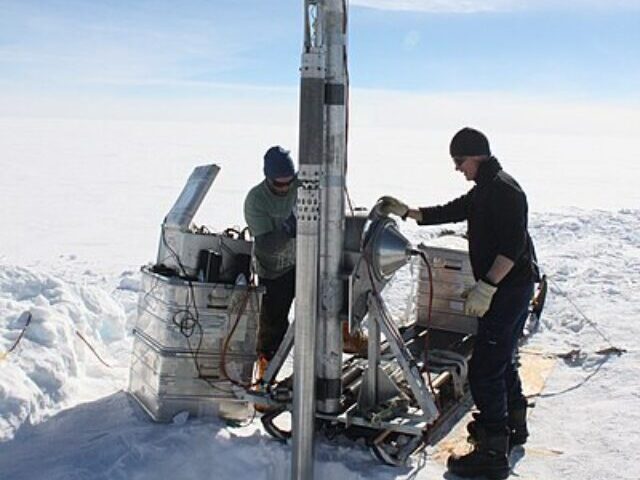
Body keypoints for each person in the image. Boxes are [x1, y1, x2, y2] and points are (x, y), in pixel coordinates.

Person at [378, 127, 539, 480]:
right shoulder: (486, 189)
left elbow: (511, 248)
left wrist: (487, 287)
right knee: (501, 358)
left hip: (508, 291)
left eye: (458, 161)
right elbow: (450, 211)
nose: (457, 168)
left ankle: (493, 452)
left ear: (476, 156)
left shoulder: (506, 191)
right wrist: (408, 211)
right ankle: (515, 424)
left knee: (484, 369)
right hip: (504, 291)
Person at [244, 146, 298, 380]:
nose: (285, 188)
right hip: (274, 271)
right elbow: (265, 245)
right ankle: (266, 371)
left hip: (304, 262)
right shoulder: (256, 200)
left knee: (328, 306)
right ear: (268, 178)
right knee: (273, 325)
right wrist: (288, 229)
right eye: (279, 184)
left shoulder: (302, 188)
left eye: (289, 182)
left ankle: (344, 334)